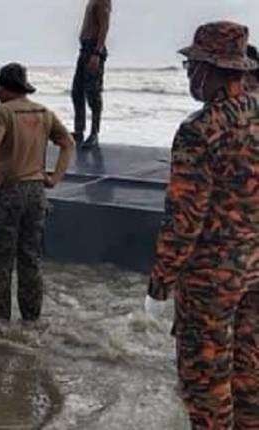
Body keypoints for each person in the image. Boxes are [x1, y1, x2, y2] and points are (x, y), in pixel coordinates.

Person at [147, 21, 259, 430]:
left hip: (209, 280)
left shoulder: (200, 130)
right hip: (254, 269)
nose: (189, 74)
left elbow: (185, 219)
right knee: (248, 375)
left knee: (205, 384)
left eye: (191, 66)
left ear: (209, 68)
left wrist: (162, 279)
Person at [0, 63, 74, 323]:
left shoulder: (2, 112)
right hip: (37, 192)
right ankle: (31, 319)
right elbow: (68, 144)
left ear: (3, 88)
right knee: (30, 258)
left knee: (2, 260)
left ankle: (1, 319)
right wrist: (54, 177)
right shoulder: (44, 112)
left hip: (9, 189)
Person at [71, 0, 111, 148]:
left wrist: (97, 52)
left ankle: (94, 133)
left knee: (93, 94)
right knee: (77, 92)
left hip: (93, 49)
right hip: (85, 49)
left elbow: (104, 26)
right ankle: (79, 130)